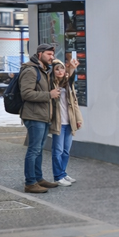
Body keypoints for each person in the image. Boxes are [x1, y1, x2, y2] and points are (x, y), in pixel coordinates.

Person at [19, 43, 61, 194]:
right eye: (49, 54)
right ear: (40, 54)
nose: (52, 57)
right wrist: (49, 95)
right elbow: (26, 94)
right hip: (34, 115)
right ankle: (30, 183)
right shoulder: (31, 71)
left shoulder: (44, 71)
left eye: (52, 54)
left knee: (39, 149)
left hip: (43, 116)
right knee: (34, 150)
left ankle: (38, 178)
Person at [49, 58, 83, 186]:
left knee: (66, 150)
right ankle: (58, 176)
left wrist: (78, 120)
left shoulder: (68, 85)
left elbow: (74, 103)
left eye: (62, 68)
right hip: (58, 122)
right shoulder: (51, 85)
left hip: (69, 122)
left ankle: (63, 173)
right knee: (57, 150)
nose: (60, 71)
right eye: (56, 69)